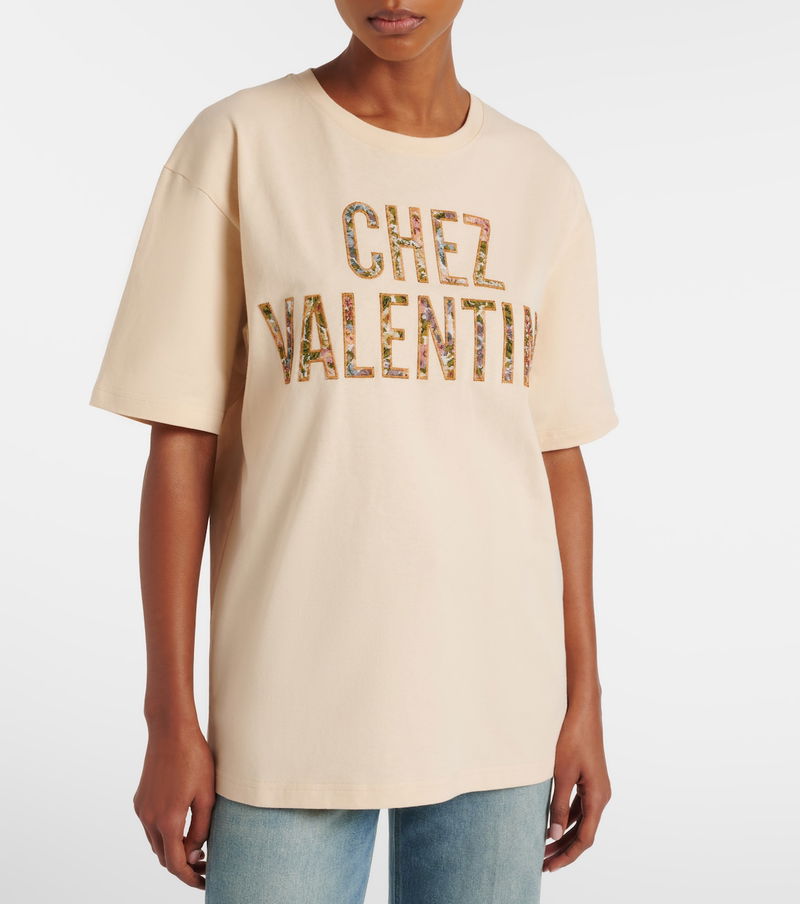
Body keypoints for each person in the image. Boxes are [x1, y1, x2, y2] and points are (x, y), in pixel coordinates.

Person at [88, 1, 619, 900]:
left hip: (501, 708)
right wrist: (168, 715)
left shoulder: (539, 180)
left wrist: (585, 700)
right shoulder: (240, 143)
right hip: (289, 711)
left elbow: (555, 454)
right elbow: (180, 442)